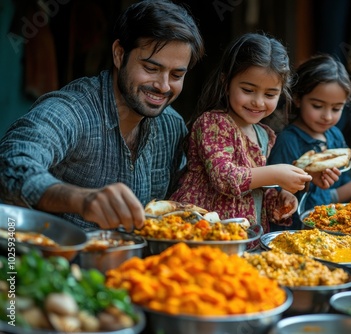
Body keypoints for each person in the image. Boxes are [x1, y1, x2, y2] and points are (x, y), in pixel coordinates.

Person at [0, 0, 204, 231]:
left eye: (177, 75)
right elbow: (11, 165)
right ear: (119, 54)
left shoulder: (172, 127)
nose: (164, 86)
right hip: (57, 263)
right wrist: (81, 200)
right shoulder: (72, 111)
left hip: (142, 266)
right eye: (151, 69)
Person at [169, 33, 312, 234]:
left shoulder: (264, 135)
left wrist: (277, 199)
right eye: (248, 90)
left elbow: (252, 189)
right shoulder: (212, 123)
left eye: (270, 94)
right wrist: (275, 174)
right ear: (226, 83)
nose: (258, 102)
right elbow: (225, 178)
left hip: (243, 237)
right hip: (201, 232)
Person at [268, 54, 351, 230]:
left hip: (330, 229)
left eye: (336, 108)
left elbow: (342, 181)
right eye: (317, 106)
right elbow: (276, 193)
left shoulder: (335, 136)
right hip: (295, 231)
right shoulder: (288, 141)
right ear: (297, 99)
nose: (327, 116)